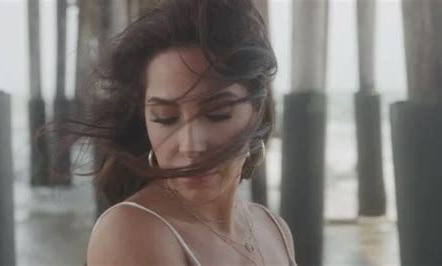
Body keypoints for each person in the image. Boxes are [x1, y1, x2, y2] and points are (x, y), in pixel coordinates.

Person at [81, 0, 297, 265]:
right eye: (166, 118)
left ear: (257, 111)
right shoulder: (132, 232)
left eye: (217, 114)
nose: (191, 145)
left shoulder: (274, 229)